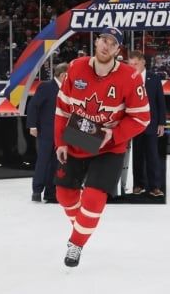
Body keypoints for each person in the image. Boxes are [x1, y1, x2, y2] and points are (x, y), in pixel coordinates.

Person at [53, 26, 150, 267]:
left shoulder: (130, 77)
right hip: (79, 135)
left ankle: (76, 243)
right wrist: (60, 142)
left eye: (112, 43)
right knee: (63, 194)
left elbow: (141, 118)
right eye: (103, 40)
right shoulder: (76, 67)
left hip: (109, 145)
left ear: (118, 50)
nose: (106, 45)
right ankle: (83, 226)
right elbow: (62, 108)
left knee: (94, 200)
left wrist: (114, 133)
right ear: (96, 42)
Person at [26, 62, 68, 203]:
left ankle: (51, 192)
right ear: (63, 75)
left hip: (61, 133)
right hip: (47, 131)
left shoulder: (67, 89)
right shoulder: (46, 87)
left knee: (56, 163)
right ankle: (37, 191)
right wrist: (32, 125)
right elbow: (33, 106)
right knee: (43, 161)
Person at [127, 50, 167, 197]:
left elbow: (160, 101)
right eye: (130, 64)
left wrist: (161, 123)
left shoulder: (154, 78)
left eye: (135, 64)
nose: (133, 67)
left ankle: (155, 186)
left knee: (152, 156)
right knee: (137, 156)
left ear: (143, 62)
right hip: (134, 124)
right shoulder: (127, 79)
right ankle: (138, 184)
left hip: (151, 123)